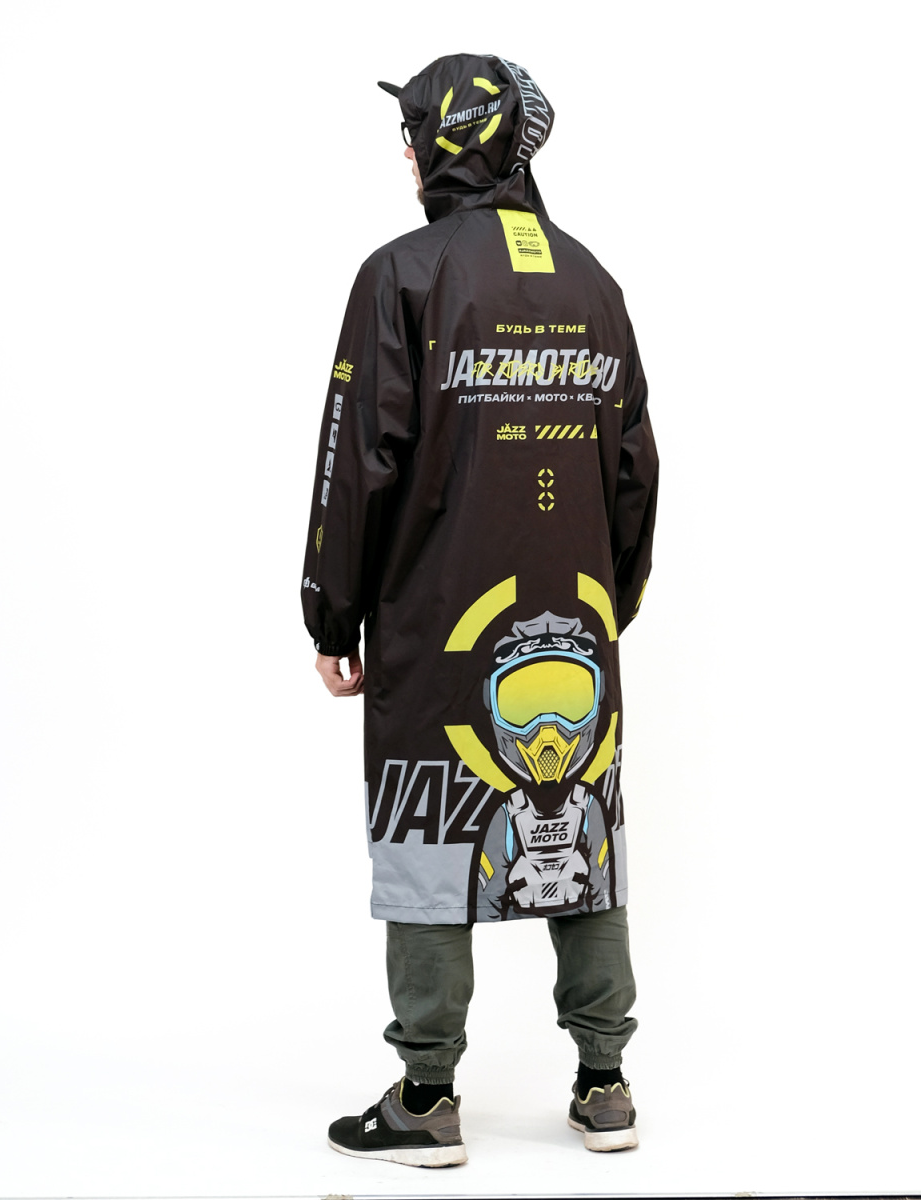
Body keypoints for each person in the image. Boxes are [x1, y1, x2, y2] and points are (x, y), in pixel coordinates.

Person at [301, 53, 658, 1168]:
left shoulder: (400, 275)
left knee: (427, 833)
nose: (405, 157)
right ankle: (605, 1085)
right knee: (582, 829)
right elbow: (636, 468)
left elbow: (356, 461)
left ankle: (426, 1098)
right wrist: (610, 602)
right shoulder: (592, 281)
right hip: (577, 617)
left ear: (438, 146)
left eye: (411, 137)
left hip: (437, 618)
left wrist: (331, 613)